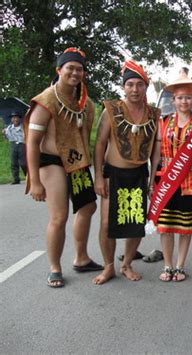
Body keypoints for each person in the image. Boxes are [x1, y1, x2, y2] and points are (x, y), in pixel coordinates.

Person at [25, 47, 102, 288]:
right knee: (59, 216)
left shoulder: (85, 104)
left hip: (77, 162)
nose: (75, 73)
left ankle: (81, 257)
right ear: (59, 70)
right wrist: (35, 180)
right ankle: (55, 267)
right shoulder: (47, 99)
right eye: (70, 68)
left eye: (79, 69)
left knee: (88, 206)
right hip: (51, 162)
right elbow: (32, 142)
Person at [92, 60, 160, 285]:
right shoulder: (110, 110)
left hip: (139, 174)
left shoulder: (153, 114)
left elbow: (155, 152)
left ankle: (127, 264)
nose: (134, 89)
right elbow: (100, 145)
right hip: (113, 175)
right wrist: (99, 177)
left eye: (139, 85)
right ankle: (109, 266)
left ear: (145, 87)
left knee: (136, 222)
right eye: (130, 84)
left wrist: (152, 182)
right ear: (124, 87)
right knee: (105, 224)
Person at [149, 75, 192, 282]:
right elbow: (156, 155)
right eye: (180, 98)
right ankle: (168, 265)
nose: (184, 102)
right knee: (165, 226)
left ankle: (180, 266)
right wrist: (150, 182)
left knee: (185, 227)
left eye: (189, 98)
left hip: (191, 180)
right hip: (165, 179)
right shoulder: (162, 123)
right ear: (172, 101)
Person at [3, 112, 26, 184]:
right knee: (14, 163)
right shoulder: (9, 128)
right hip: (13, 145)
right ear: (11, 119)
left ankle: (28, 176)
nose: (15, 119)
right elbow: (7, 137)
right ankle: (16, 179)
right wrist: (4, 133)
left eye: (16, 117)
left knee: (23, 163)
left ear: (19, 119)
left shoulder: (24, 127)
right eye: (13, 118)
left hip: (22, 144)